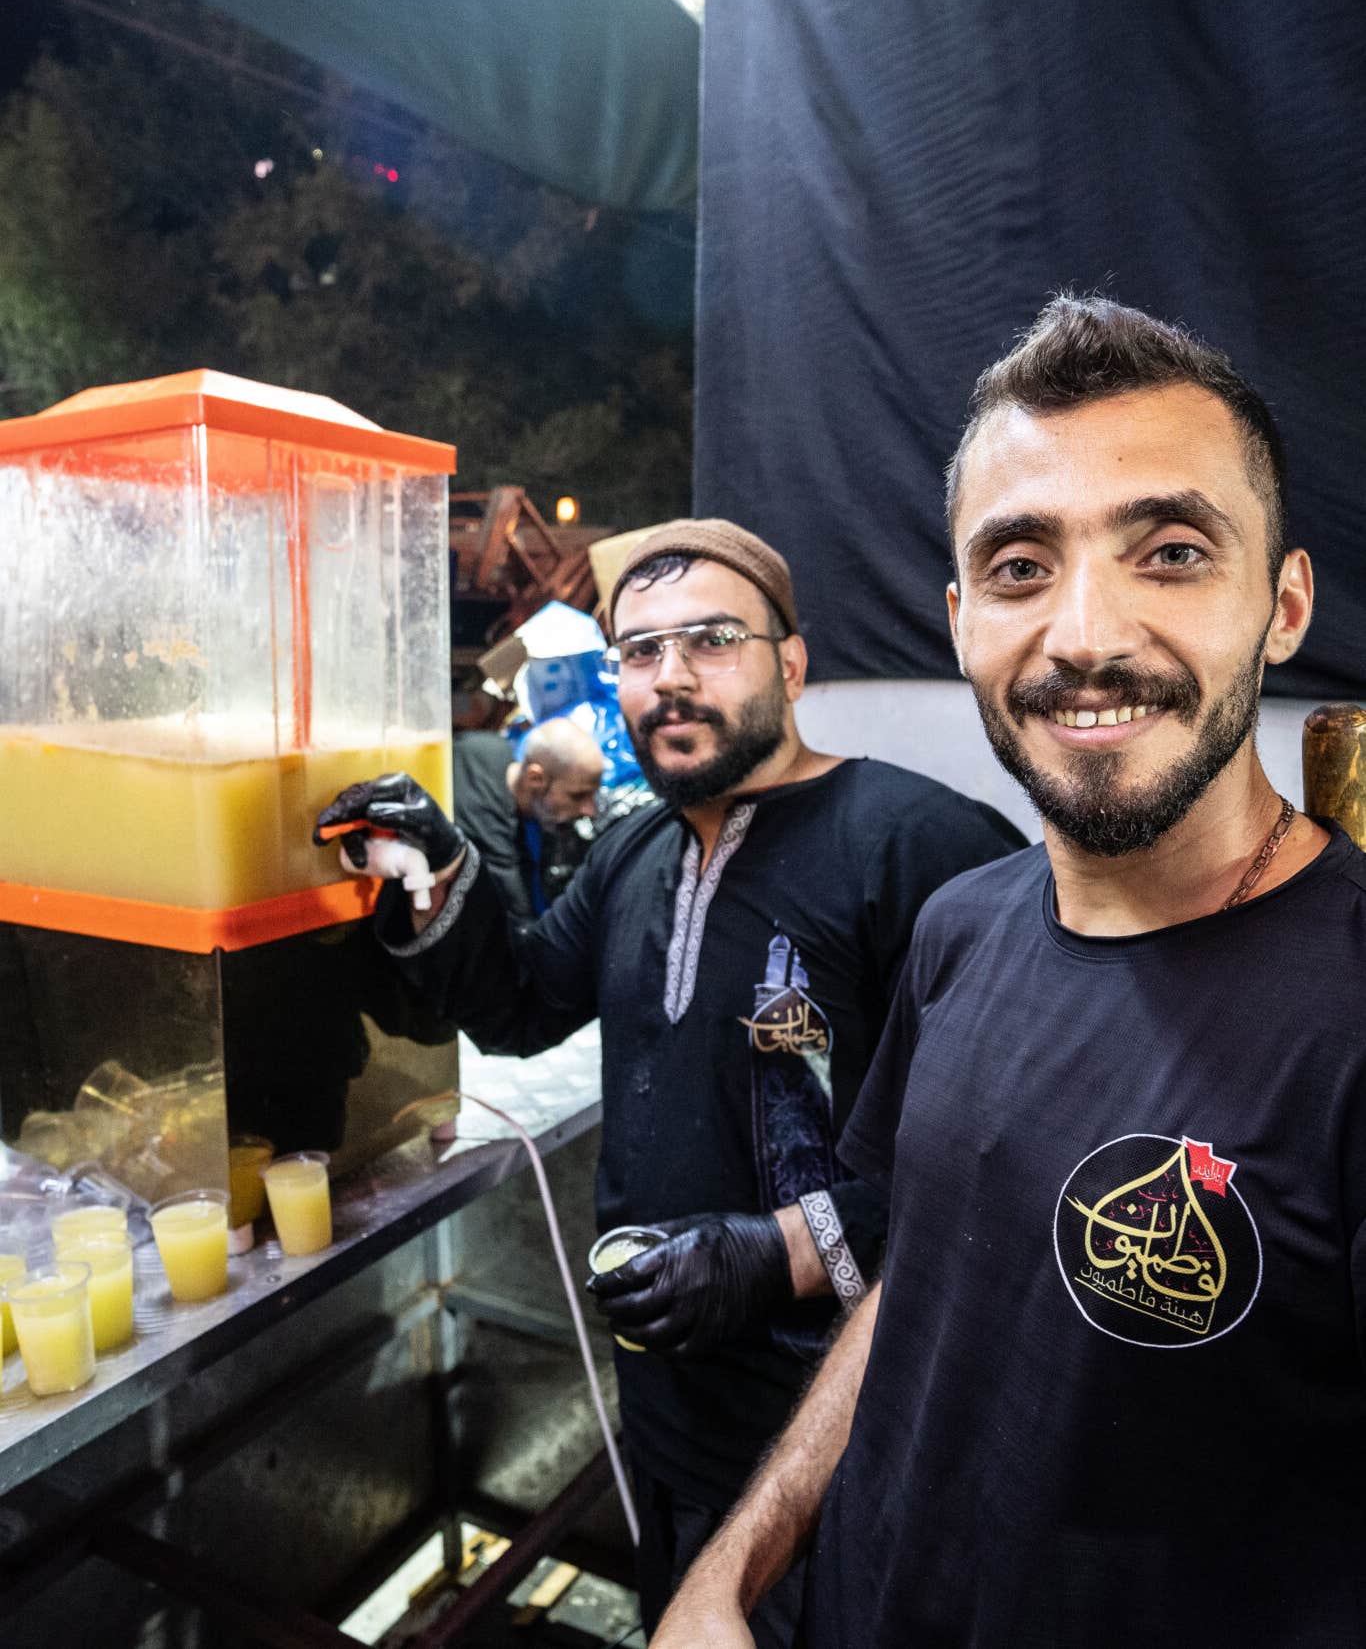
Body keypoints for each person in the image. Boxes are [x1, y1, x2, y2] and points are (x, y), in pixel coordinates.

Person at [654, 295, 1366, 1648]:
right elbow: (920, 1277)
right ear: (960, 616)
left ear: (1282, 605)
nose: (1084, 634)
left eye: (1167, 551)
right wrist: (735, 1565)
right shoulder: (958, 931)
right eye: (1021, 566)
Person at [313, 519, 1023, 1645]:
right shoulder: (634, 854)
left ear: (789, 665)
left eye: (709, 640)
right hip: (669, 1408)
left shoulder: (920, 847)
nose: (671, 678)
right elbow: (520, 1004)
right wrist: (440, 866)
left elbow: (1010, 1157)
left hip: (847, 1430)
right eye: (640, 653)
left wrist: (774, 1252)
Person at [450, 716, 604, 921]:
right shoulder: (496, 847)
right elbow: (522, 930)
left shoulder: (490, 745)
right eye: (577, 796)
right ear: (535, 779)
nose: (590, 810)